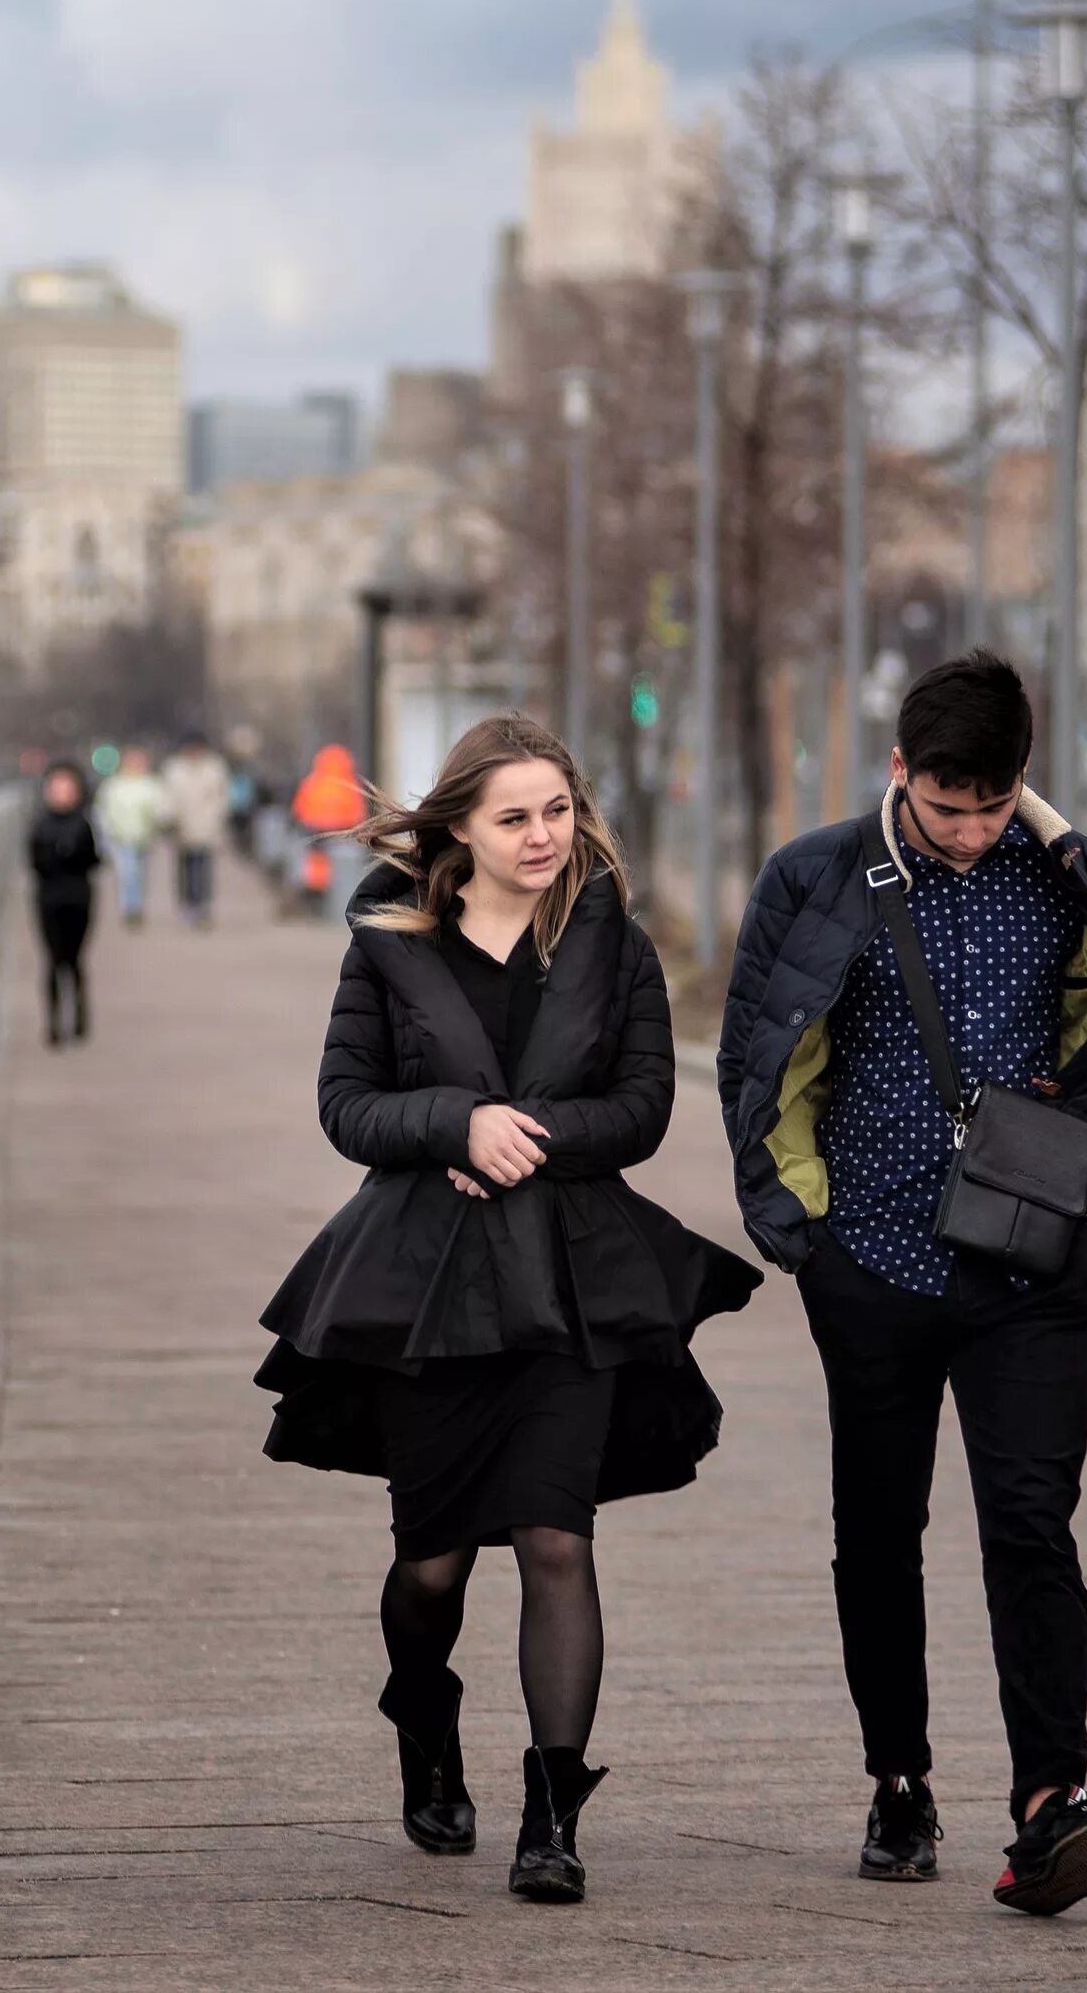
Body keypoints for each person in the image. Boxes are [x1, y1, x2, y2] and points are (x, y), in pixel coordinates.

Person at [254, 714, 760, 1905]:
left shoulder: (615, 946)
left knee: (556, 1540)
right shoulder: (389, 942)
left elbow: (643, 1109)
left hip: (569, 1285)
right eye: (514, 817)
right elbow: (347, 1106)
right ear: (461, 830)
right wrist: (452, 1126)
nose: (543, 836)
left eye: (557, 810)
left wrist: (527, 1139)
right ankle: (425, 1730)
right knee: (430, 1567)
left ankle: (553, 1813)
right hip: (429, 1290)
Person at [716, 650, 1087, 1918]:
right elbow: (753, 1056)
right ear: (898, 770)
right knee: (879, 1530)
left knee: (1031, 1522)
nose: (970, 832)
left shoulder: (1070, 876)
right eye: (947, 805)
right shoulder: (813, 877)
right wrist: (802, 1235)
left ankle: (1050, 1806)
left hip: (1035, 1269)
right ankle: (898, 1780)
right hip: (876, 1267)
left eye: (994, 805)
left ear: (1023, 780)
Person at [27, 761, 103, 1046]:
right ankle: (54, 1023)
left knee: (75, 959)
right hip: (49, 898)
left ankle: (80, 1015)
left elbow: (93, 860)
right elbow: (34, 862)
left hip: (78, 897)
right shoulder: (40, 825)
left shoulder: (83, 824)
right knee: (52, 959)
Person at [287, 742, 368, 919]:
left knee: (308, 866)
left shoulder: (311, 783)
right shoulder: (351, 785)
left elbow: (298, 811)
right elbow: (360, 815)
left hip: (315, 837)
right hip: (343, 839)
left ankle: (312, 898)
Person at [161, 732, 232, 929]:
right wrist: (169, 817)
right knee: (185, 869)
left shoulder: (214, 768)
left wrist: (217, 817)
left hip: (206, 827)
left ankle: (203, 906)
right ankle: (188, 905)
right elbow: (168, 796)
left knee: (204, 869)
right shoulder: (174, 769)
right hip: (182, 828)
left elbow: (222, 796)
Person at [93, 746, 169, 927]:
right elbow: (102, 811)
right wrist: (106, 835)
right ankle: (130, 907)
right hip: (121, 838)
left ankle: (137, 904)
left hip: (144, 837)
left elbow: (160, 809)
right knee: (128, 873)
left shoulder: (151, 785)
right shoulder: (113, 785)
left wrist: (158, 824)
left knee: (140, 874)